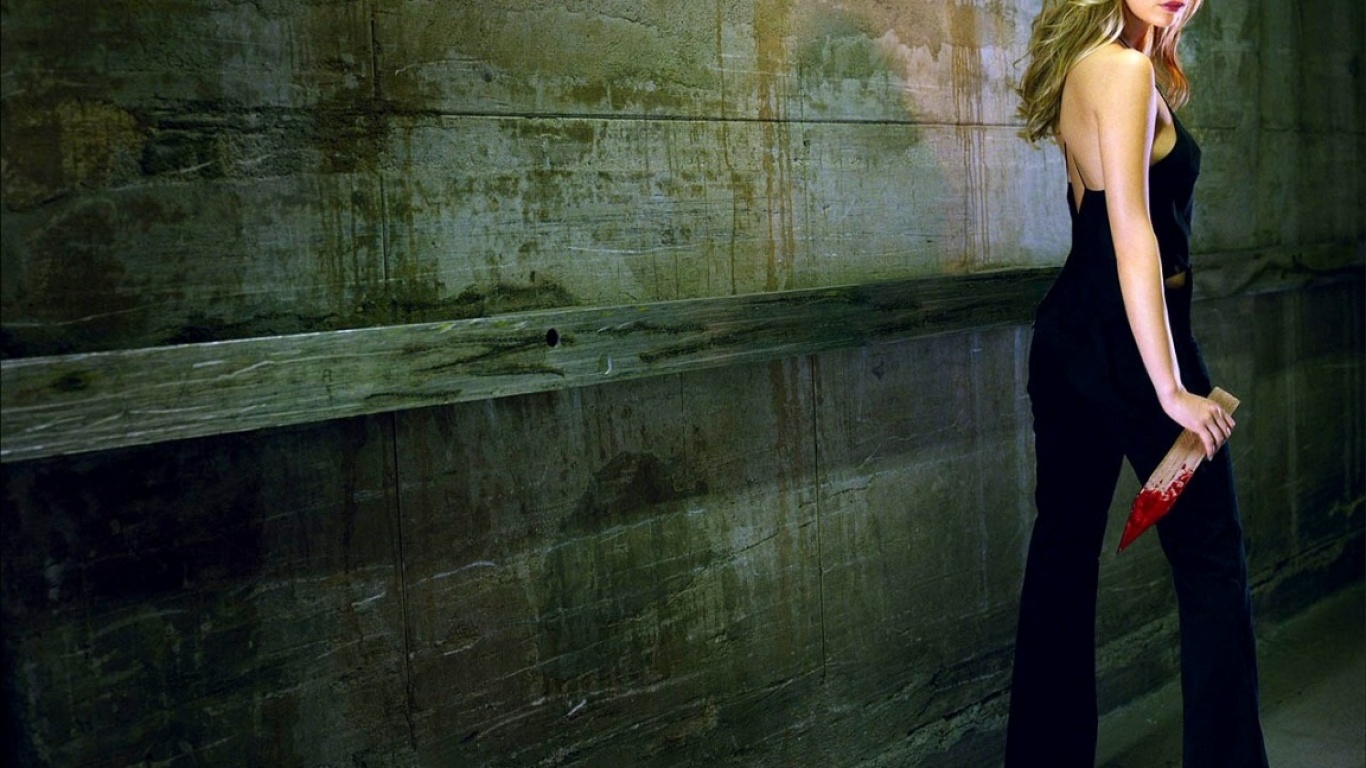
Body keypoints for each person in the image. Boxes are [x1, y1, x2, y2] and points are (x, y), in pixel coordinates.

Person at [1004, 0, 1269, 766]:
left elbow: (1092, 222)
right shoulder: (1121, 70)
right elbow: (1131, 233)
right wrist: (1171, 387)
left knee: (1062, 555)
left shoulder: (1090, 67)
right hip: (1136, 346)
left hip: (1072, 338)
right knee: (1213, 559)